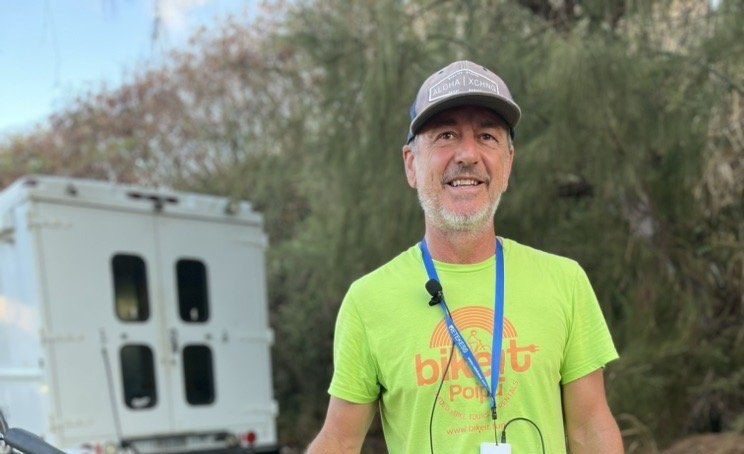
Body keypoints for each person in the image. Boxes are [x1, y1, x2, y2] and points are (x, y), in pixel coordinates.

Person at [307, 60, 623, 453]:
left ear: (508, 164)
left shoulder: (565, 282)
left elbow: (591, 429)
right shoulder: (368, 301)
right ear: (411, 164)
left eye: (487, 136)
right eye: (446, 135)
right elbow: (339, 441)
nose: (468, 154)